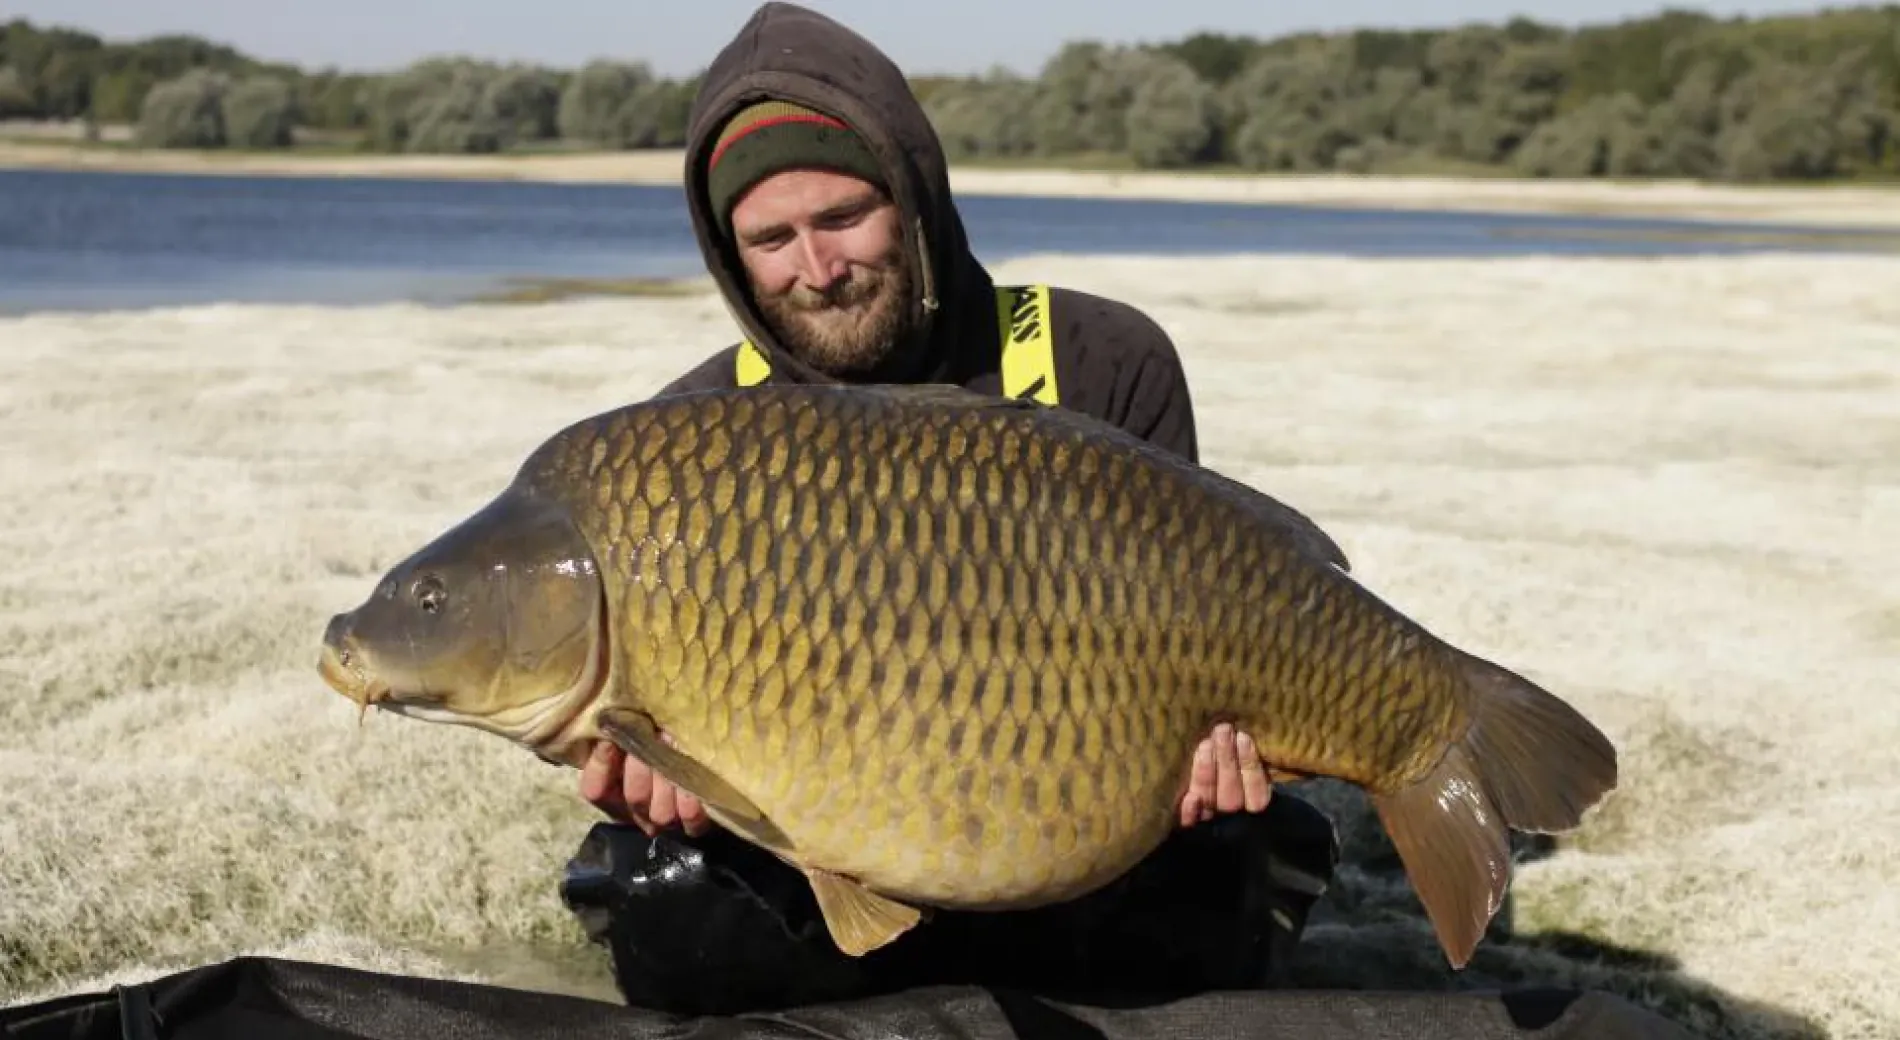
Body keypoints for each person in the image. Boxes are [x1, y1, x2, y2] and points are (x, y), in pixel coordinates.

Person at [556, 0, 1341, 1012]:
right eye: (771, 237)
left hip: (1076, 824)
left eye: (843, 217)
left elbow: (1197, 617)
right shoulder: (692, 444)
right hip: (824, 849)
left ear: (916, 196)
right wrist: (673, 795)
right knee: (656, 886)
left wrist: (1203, 761)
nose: (818, 267)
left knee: (1224, 852)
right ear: (728, 251)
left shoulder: (1100, 356)